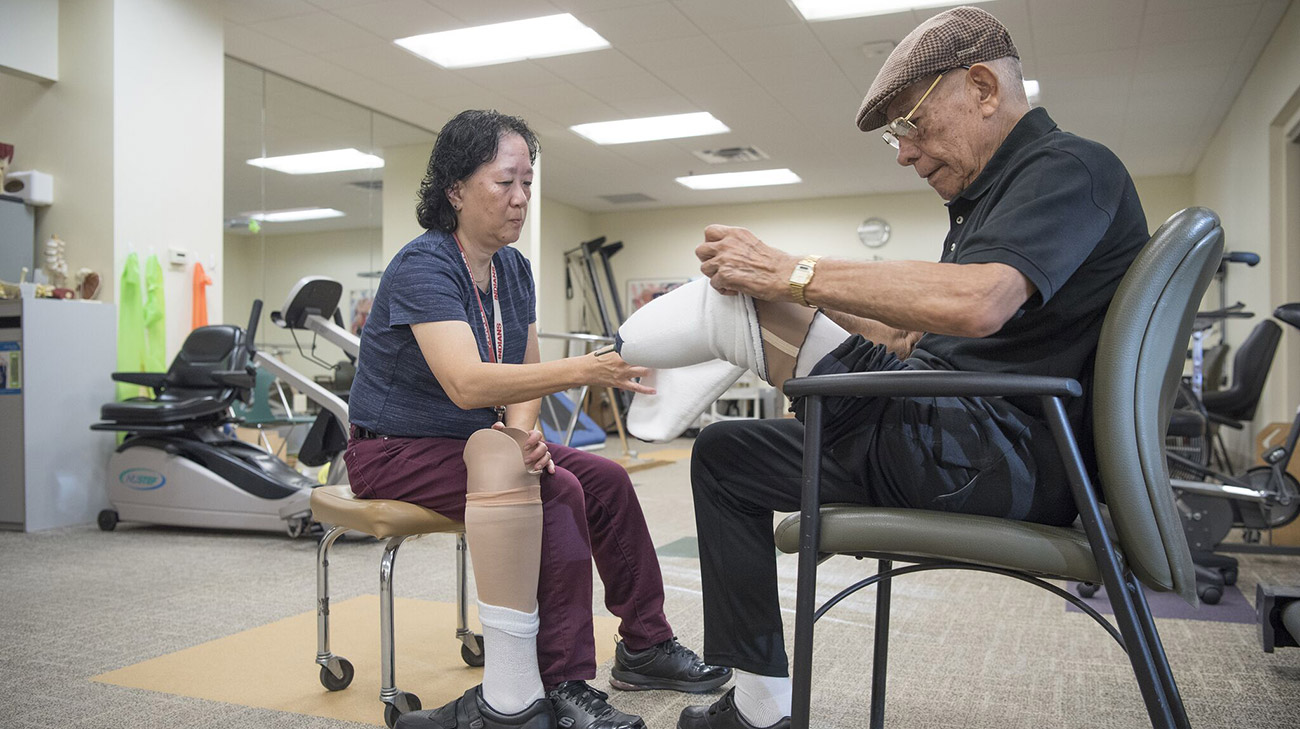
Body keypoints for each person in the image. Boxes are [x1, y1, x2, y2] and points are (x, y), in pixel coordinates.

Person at [612, 7, 1151, 728]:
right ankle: (761, 703)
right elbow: (915, 331)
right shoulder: (992, 198)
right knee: (723, 454)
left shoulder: (1069, 168)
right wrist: (791, 284)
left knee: (743, 309)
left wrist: (790, 272)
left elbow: (981, 302)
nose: (903, 153)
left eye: (910, 125)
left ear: (984, 88)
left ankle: (667, 344)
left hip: (982, 452)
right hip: (953, 437)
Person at [343, 109, 730, 729]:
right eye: (505, 183)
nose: (521, 199)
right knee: (556, 492)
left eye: (528, 182)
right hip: (396, 450)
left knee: (606, 481)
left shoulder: (512, 268)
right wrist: (584, 372)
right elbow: (468, 382)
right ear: (455, 190)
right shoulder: (425, 266)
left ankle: (645, 645)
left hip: (479, 442)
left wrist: (521, 434)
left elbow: (523, 365)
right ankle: (562, 681)